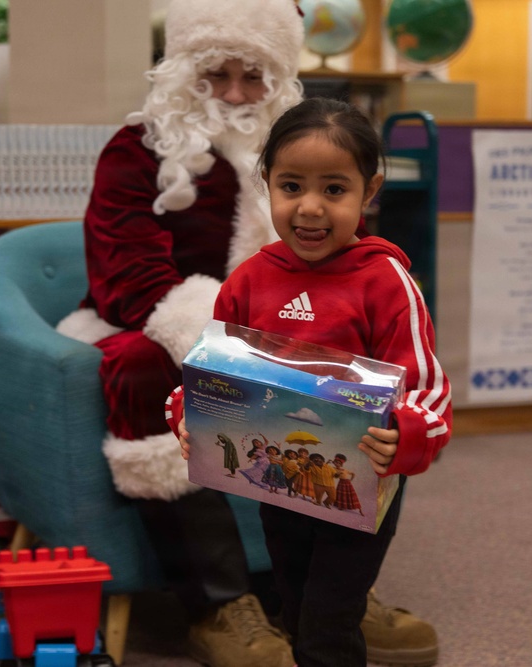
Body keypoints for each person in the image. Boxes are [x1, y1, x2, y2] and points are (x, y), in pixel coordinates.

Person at [57, 1, 439, 665]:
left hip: (280, 315)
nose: (233, 94)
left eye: (252, 76)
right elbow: (128, 275)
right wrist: (232, 352)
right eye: (214, 75)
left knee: (365, 364)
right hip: (162, 317)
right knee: (144, 369)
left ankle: (339, 588)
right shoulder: (136, 147)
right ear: (182, 70)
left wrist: (302, 347)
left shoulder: (300, 144)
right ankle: (220, 601)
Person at [170, 96, 453, 666]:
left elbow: (427, 388)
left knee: (329, 623)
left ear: (369, 192)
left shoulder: (387, 281)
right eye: (292, 186)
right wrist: (187, 415)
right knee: (296, 610)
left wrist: (405, 433)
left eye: (334, 189)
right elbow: (214, 369)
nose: (310, 208)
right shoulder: (249, 280)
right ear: (267, 184)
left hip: (363, 486)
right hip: (279, 482)